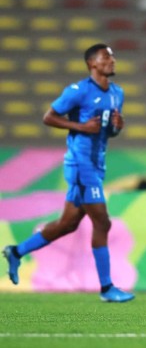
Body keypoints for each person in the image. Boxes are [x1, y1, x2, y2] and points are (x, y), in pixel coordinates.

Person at [2, 44, 134, 303]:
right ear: (92, 63)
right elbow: (49, 117)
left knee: (68, 224)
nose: (112, 61)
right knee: (102, 222)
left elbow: (107, 130)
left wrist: (117, 128)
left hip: (97, 164)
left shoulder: (117, 93)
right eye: (106, 57)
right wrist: (80, 126)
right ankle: (107, 288)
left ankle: (16, 251)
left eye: (112, 56)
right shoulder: (78, 91)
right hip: (80, 164)